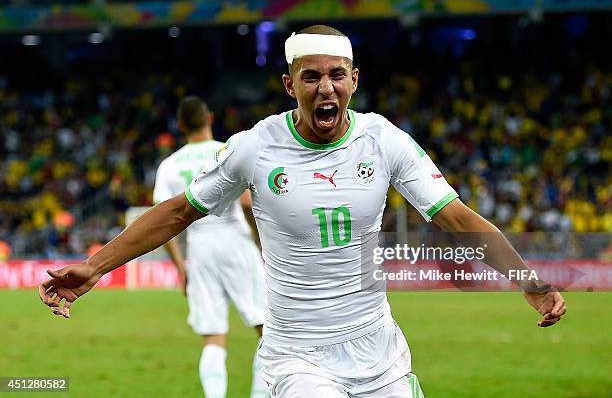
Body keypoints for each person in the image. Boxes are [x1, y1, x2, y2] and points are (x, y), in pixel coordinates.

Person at [39, 25, 566, 397]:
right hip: (297, 354)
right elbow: (177, 212)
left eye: (337, 74)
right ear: (290, 85)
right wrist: (94, 266)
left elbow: (457, 218)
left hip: (378, 348)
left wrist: (529, 281)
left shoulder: (384, 140)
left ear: (354, 81)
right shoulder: (254, 146)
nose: (326, 87)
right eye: (311, 77)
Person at [152, 96, 268, 398]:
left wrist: (181, 267)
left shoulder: (169, 165)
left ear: (180, 126)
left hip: (199, 247)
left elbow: (164, 224)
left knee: (213, 335)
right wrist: (260, 242)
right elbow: (245, 203)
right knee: (266, 329)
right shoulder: (226, 151)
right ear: (210, 118)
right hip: (235, 241)